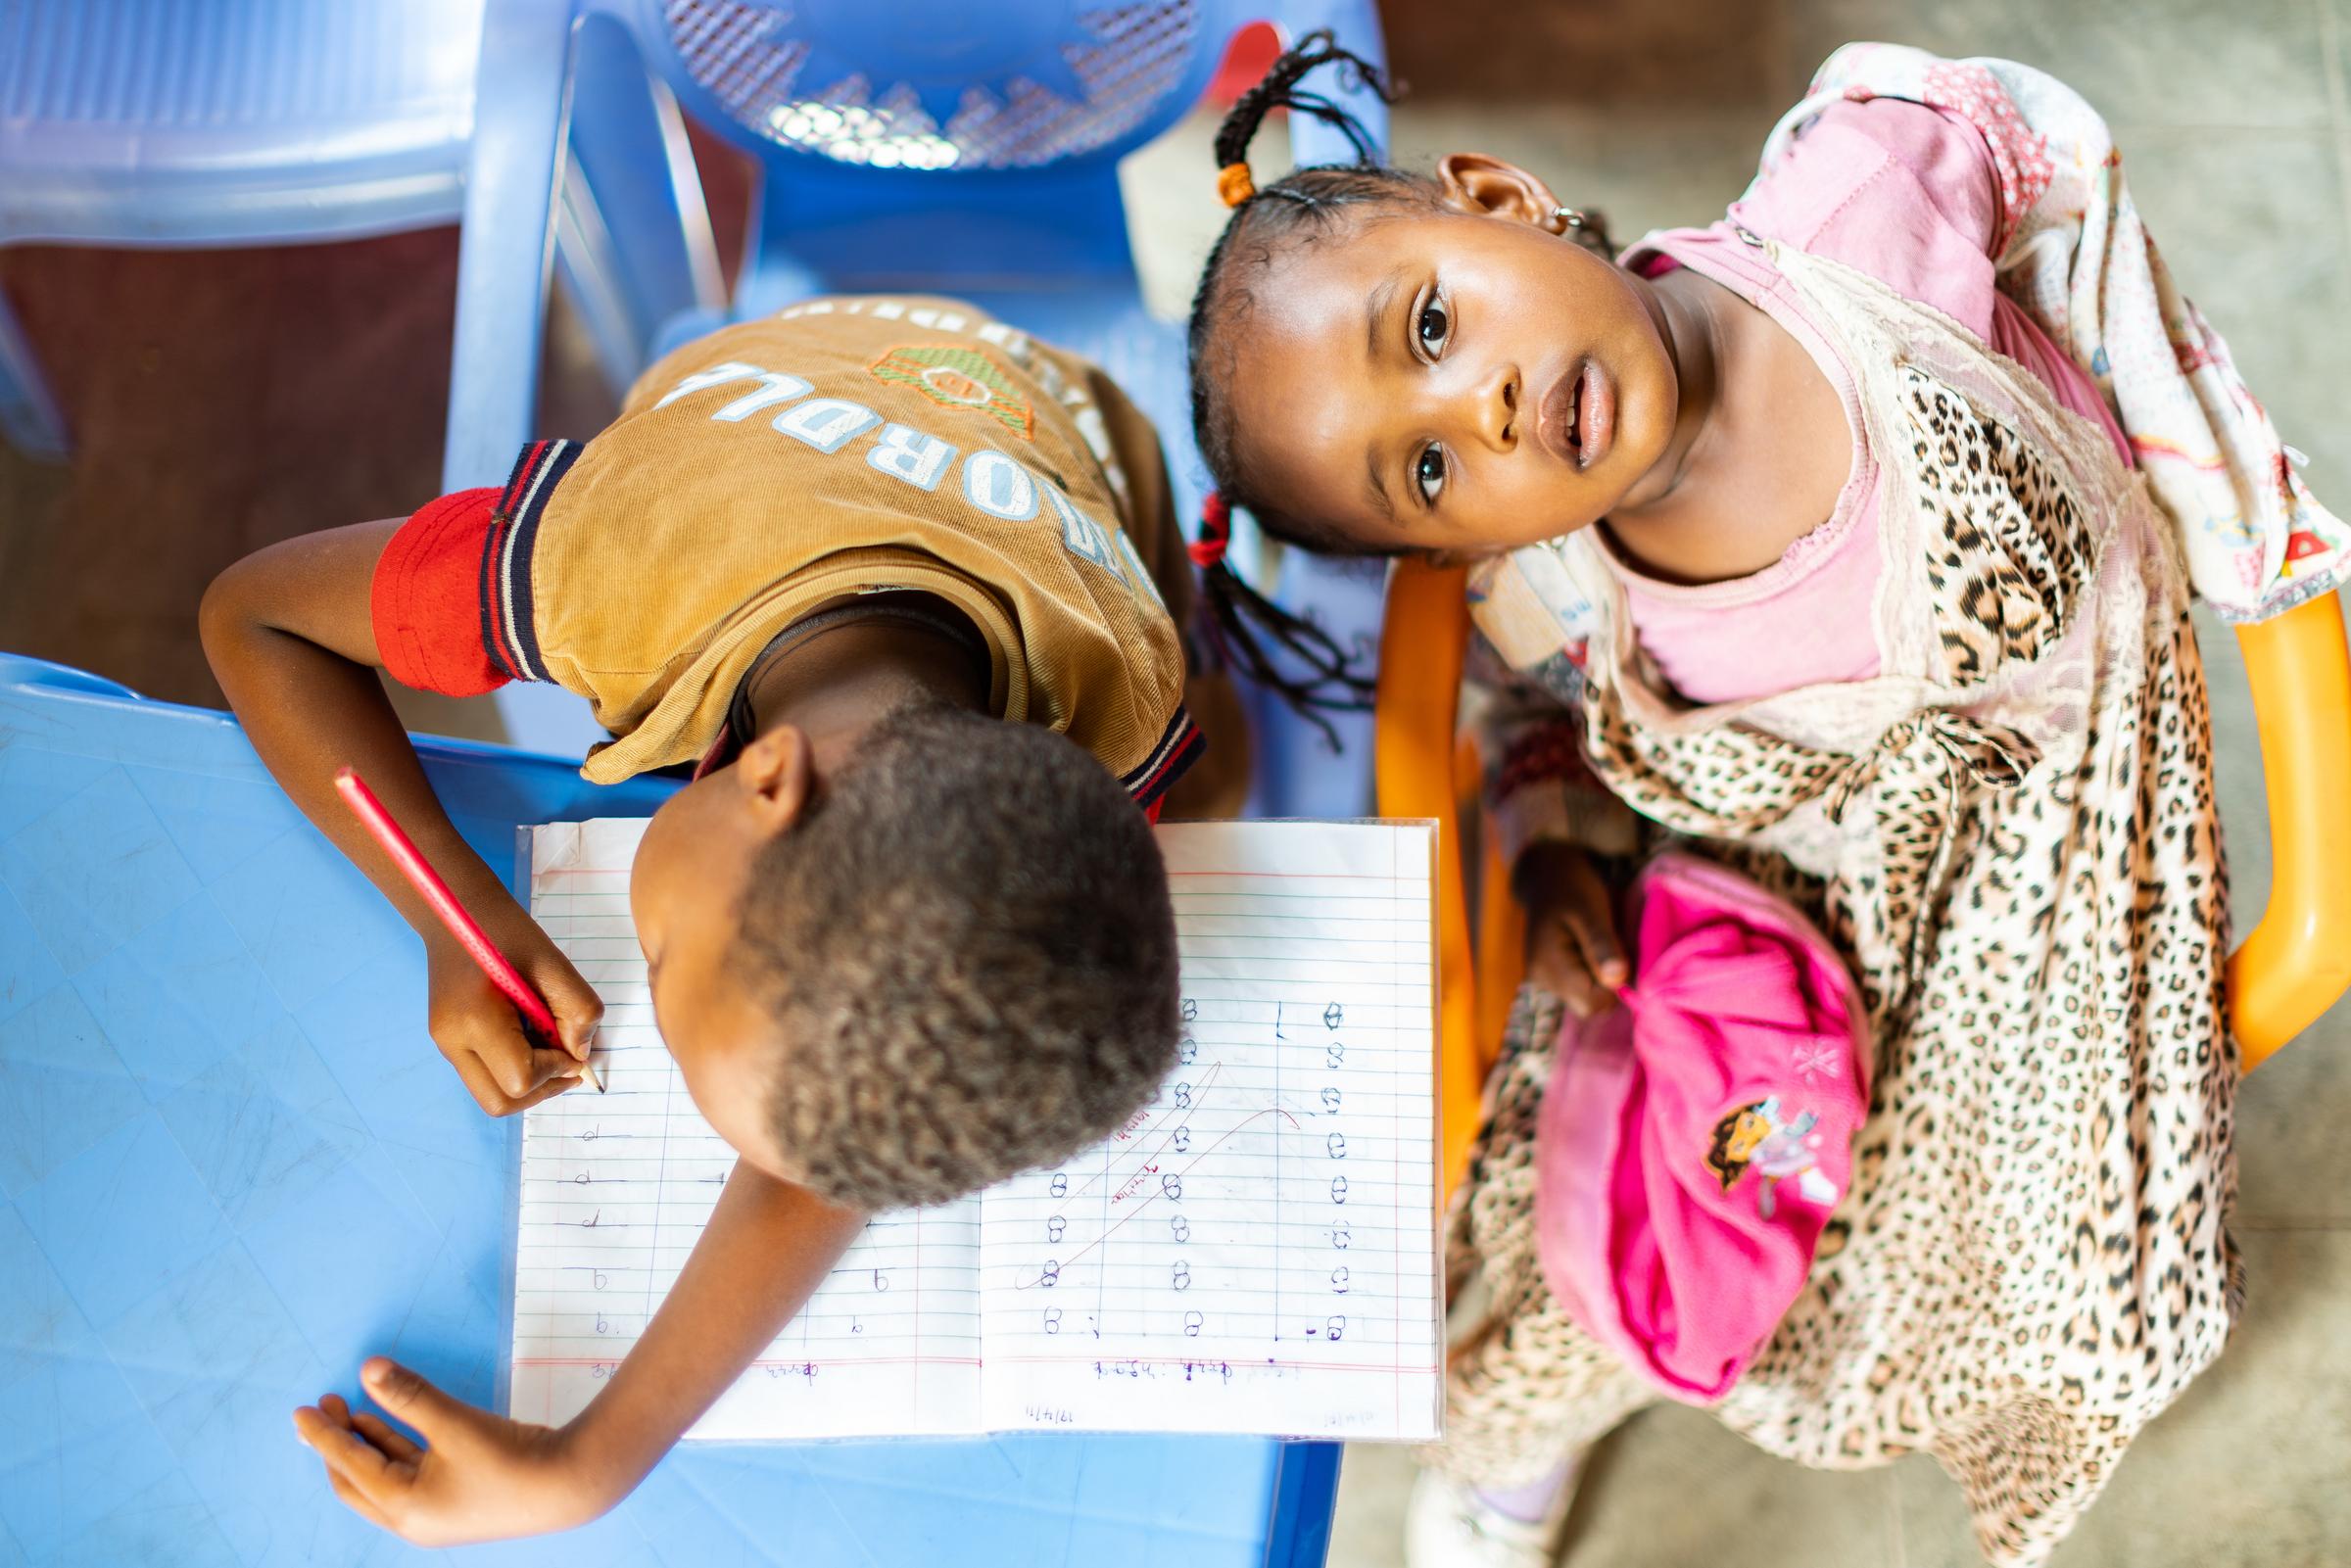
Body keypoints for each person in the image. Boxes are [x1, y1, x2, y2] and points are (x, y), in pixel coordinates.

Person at [1179, 31, 2350, 1568]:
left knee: (2047, 1276)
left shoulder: (1869, 201)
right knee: (1579, 1219)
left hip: (2060, 874)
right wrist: (1541, 852)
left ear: (1505, 194)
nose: (1488, 412)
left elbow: (2102, 259)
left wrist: (2242, 529)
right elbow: (1528, 718)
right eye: (1429, 473)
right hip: (1776, 905)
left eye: (1435, 324)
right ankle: (1519, 1453)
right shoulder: (1559, 583)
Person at [200, 296, 1247, 1545]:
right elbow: (249, 614)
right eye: (659, 957)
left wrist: (588, 1463)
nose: (637, 975)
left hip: (1054, 432)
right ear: (763, 780)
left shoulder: (1118, 732)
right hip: (806, 381)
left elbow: (823, 1149)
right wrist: (447, 905)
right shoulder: (607, 564)